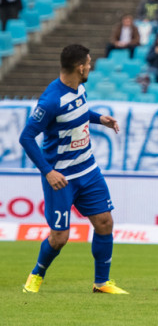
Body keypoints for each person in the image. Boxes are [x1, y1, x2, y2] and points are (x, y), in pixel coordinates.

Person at [20, 44, 128, 295]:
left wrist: (99, 118)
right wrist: (48, 171)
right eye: (89, 63)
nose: (90, 67)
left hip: (88, 169)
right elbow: (26, 137)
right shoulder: (50, 101)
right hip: (61, 177)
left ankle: (101, 283)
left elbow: (78, 112)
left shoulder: (79, 88)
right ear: (80, 68)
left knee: (104, 222)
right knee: (59, 238)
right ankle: (37, 274)